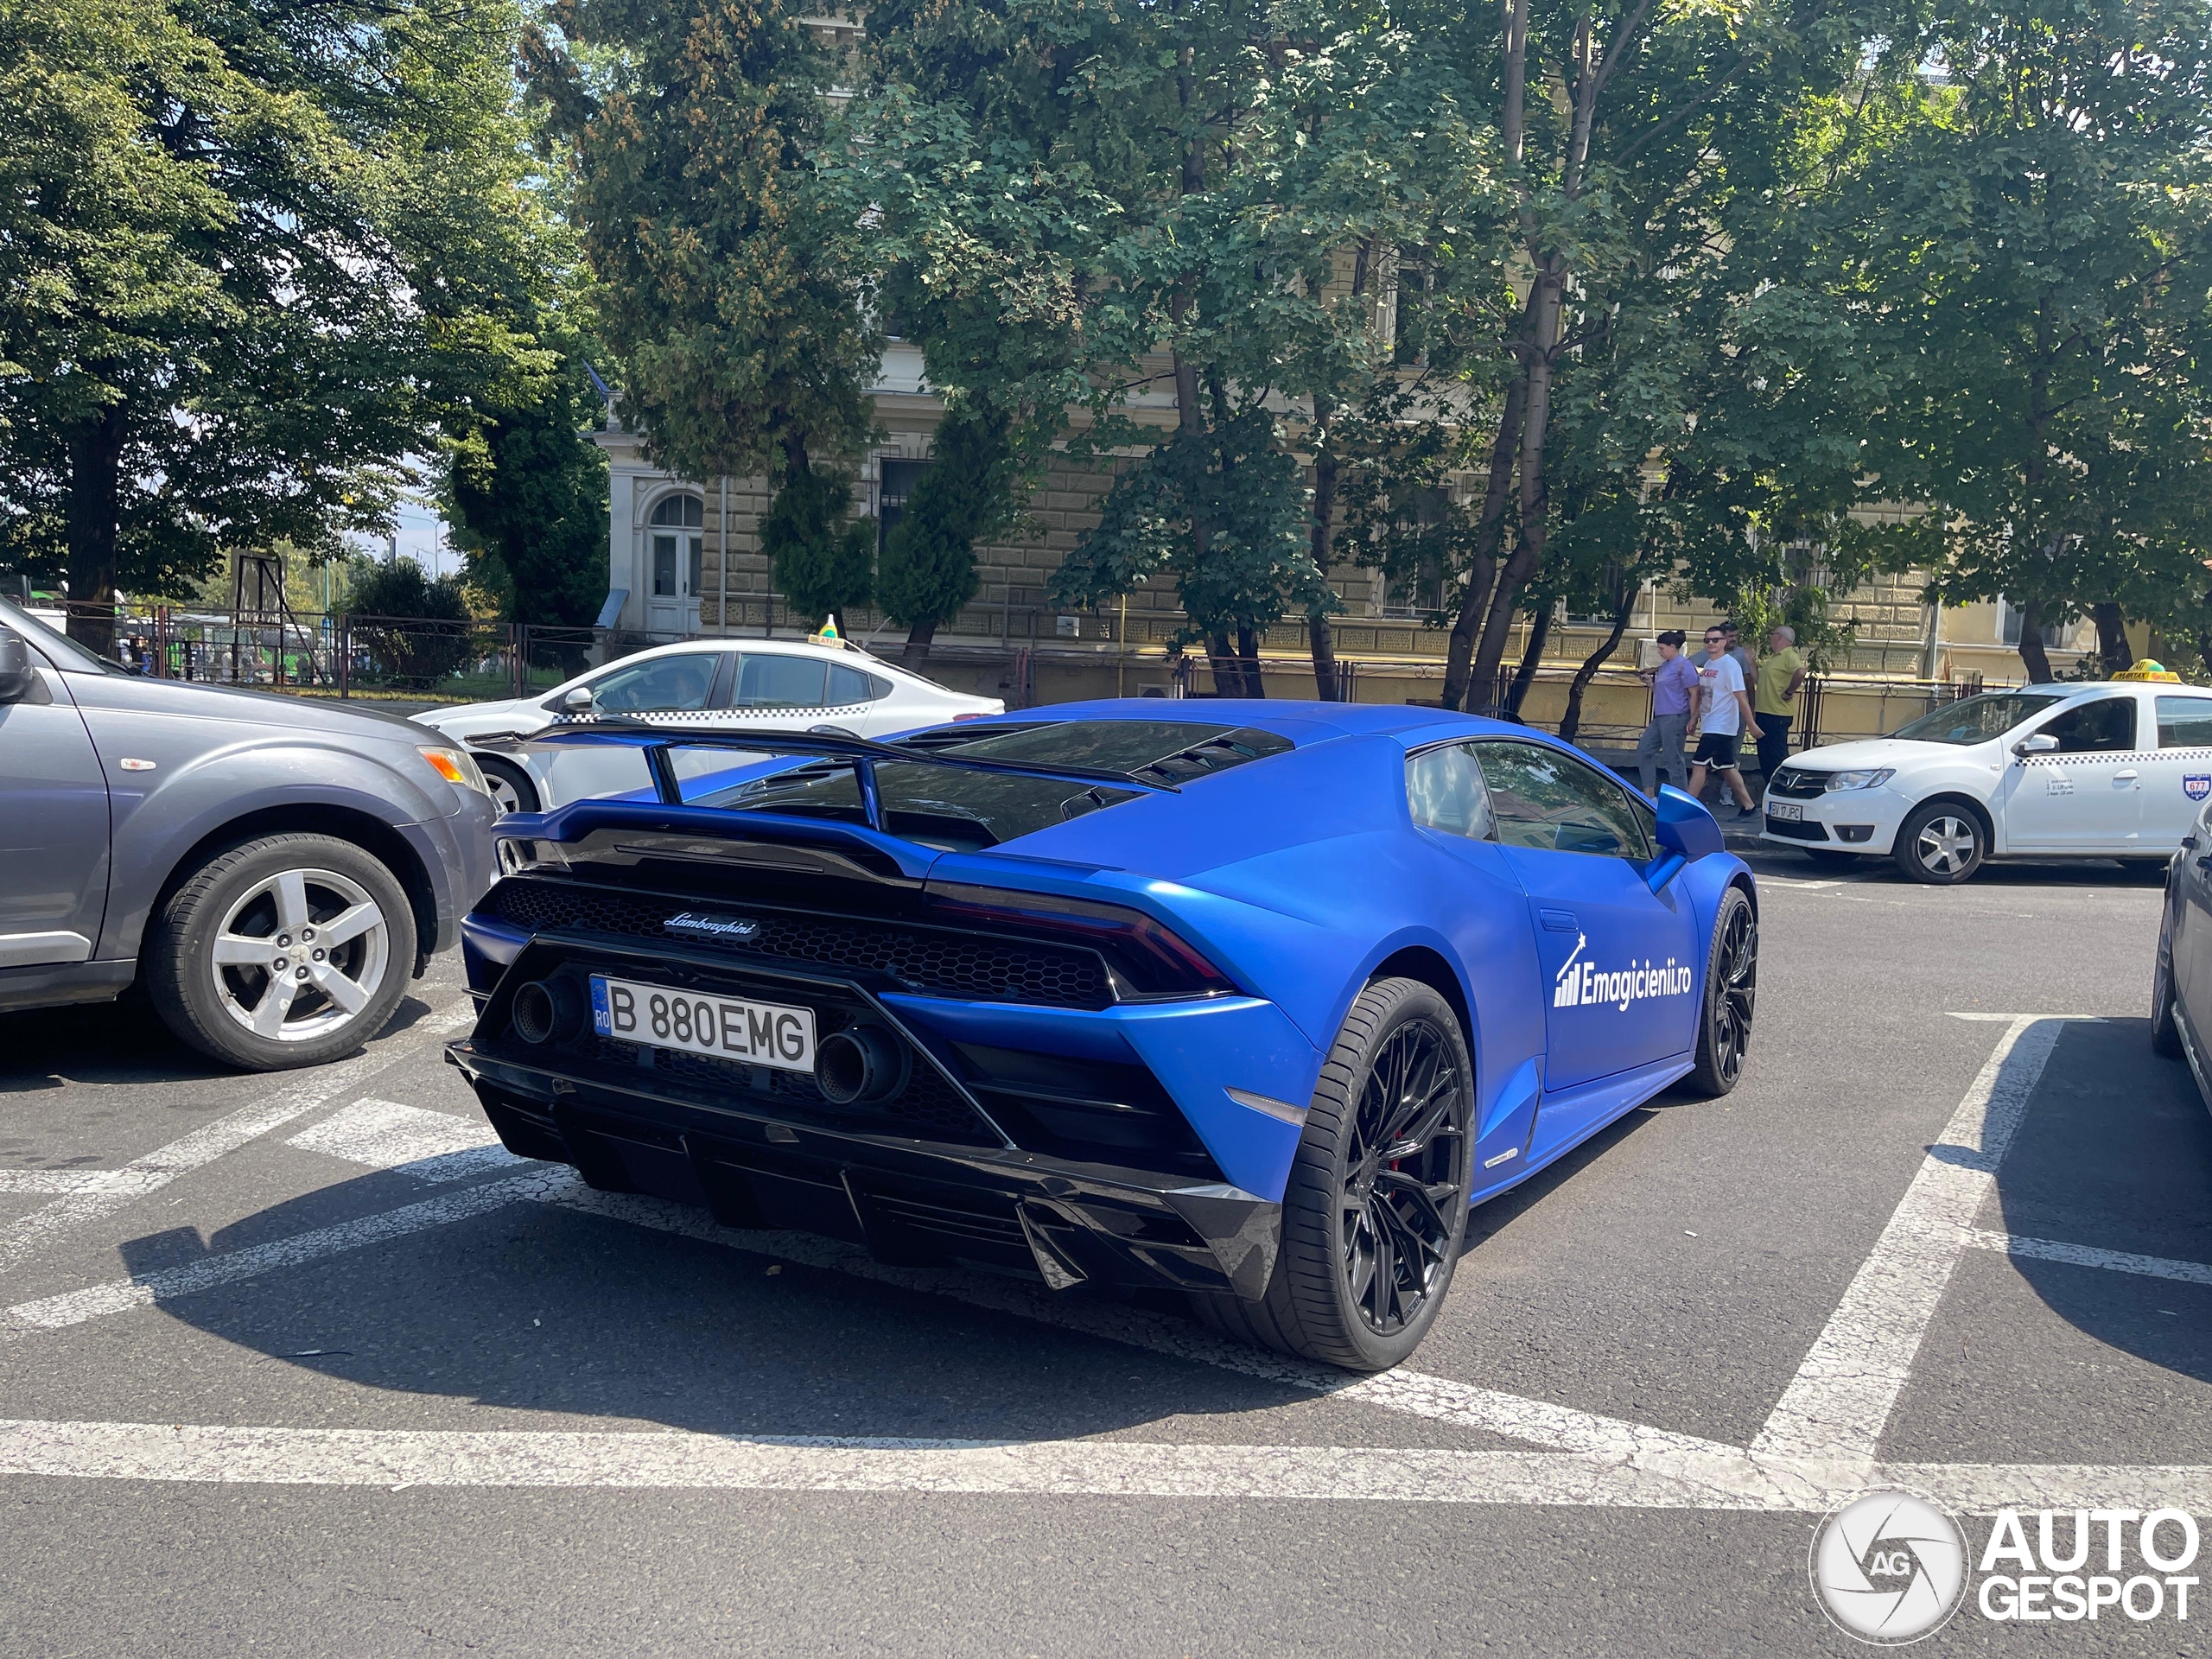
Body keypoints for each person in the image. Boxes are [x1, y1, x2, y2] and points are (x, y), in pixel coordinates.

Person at [1689, 626, 1763, 814]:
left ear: (1723, 642)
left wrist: (1751, 725)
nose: (1711, 644)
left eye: (1715, 640)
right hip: (1710, 723)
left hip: (1721, 726)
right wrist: (1694, 718)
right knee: (1727, 767)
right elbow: (1706, 695)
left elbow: (1741, 697)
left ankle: (1686, 806)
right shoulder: (1709, 665)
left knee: (1699, 763)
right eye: (1707, 640)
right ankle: (1749, 805)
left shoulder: (1730, 665)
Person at [1635, 630, 1698, 799]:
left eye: (1662, 649)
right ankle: (1649, 795)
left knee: (1673, 760)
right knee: (1645, 750)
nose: (1659, 652)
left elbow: (1694, 693)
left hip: (1676, 717)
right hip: (1661, 716)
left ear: (1673, 647)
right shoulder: (1665, 666)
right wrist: (1650, 683)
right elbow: (1665, 692)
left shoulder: (1683, 665)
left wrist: (1693, 718)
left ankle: (1682, 799)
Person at [1754, 624, 1808, 791]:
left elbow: (1800, 671)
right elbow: (1759, 681)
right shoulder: (1775, 658)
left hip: (1777, 714)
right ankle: (1770, 790)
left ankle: (1784, 790)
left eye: (1772, 635)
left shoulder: (1788, 655)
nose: (1770, 638)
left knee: (1776, 756)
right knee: (1765, 756)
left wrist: (1790, 691)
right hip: (1765, 712)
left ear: (1779, 637)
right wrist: (1750, 663)